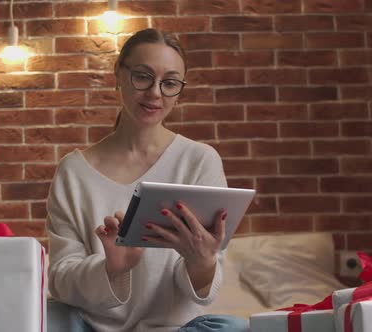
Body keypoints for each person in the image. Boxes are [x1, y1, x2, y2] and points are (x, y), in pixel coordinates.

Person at [46, 28, 248, 332]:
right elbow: (61, 279)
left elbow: (205, 289)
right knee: (43, 317)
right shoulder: (73, 172)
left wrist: (202, 262)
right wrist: (112, 269)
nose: (155, 93)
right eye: (142, 76)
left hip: (175, 328)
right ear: (118, 74)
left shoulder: (199, 161)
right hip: (89, 326)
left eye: (169, 83)